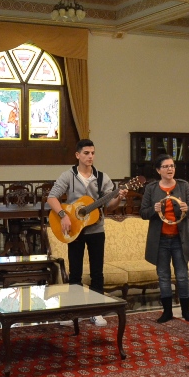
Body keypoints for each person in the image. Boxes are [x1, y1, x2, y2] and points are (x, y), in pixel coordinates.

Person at [47, 139, 128, 327]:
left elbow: (110, 205)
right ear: (77, 155)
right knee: (75, 272)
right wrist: (63, 216)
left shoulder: (102, 177)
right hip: (74, 229)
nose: (90, 156)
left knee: (97, 272)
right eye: (86, 153)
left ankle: (96, 312)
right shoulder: (68, 176)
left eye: (92, 153)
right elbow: (52, 198)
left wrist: (118, 198)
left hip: (96, 229)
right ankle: (74, 312)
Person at [141, 154, 189, 322]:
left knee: (182, 275)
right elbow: (143, 213)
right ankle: (167, 312)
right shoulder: (151, 188)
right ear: (158, 170)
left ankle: (186, 310)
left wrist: (187, 209)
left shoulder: (183, 186)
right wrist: (154, 209)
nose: (170, 169)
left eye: (172, 166)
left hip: (180, 239)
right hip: (160, 240)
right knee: (163, 276)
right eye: (165, 166)